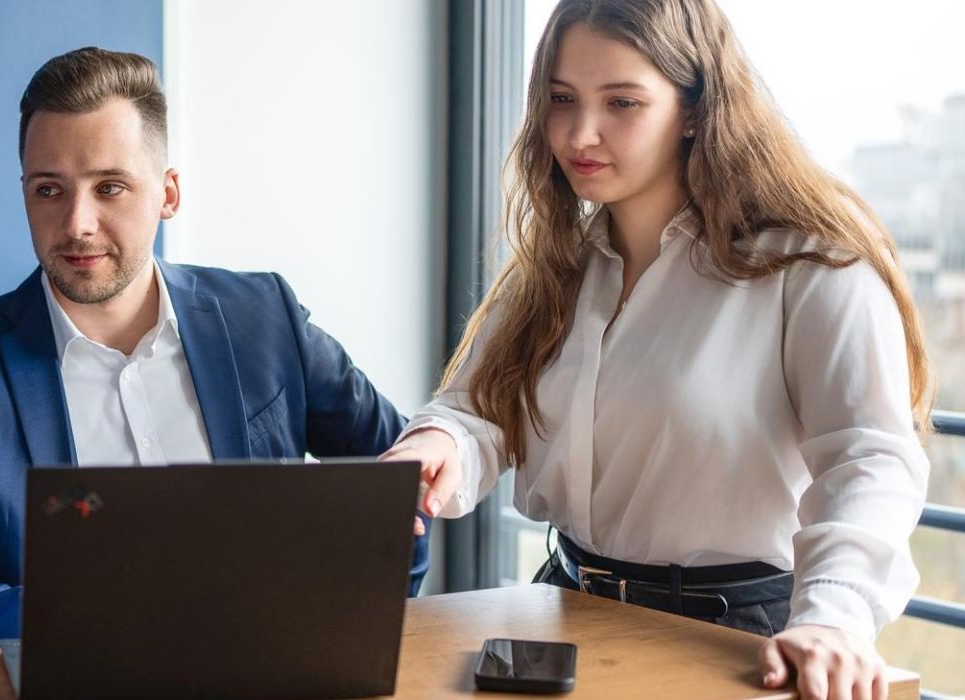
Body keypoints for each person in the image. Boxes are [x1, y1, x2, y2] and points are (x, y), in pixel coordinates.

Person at [385, 2, 932, 698]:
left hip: (739, 635)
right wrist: (438, 442)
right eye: (561, 99)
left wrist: (835, 618)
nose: (579, 133)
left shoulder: (809, 264)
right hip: (563, 609)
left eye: (622, 102)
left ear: (697, 109)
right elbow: (478, 410)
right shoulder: (554, 266)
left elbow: (870, 456)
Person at [0, 47, 428, 656]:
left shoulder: (265, 316)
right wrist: (119, 617)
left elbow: (402, 472)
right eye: (49, 190)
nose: (77, 223)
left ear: (168, 193)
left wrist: (343, 602)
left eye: (110, 187)